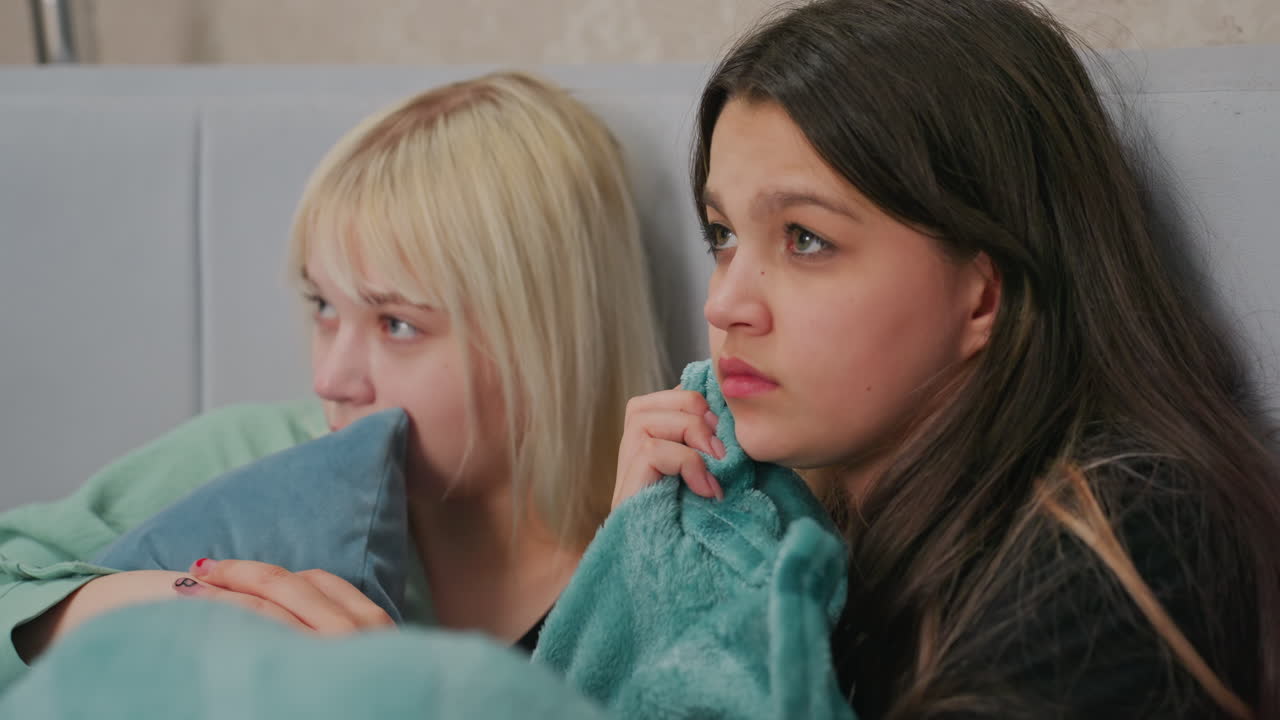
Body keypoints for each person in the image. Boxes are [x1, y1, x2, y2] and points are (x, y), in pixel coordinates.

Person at [610, 0, 1279, 717]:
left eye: (805, 238)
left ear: (984, 298)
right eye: (723, 234)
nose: (724, 305)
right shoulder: (784, 525)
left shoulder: (1127, 547)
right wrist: (635, 568)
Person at [4, 71, 666, 676]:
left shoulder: (662, 557)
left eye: (396, 324)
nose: (332, 379)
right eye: (323, 307)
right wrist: (153, 606)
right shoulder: (254, 455)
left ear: (545, 336)